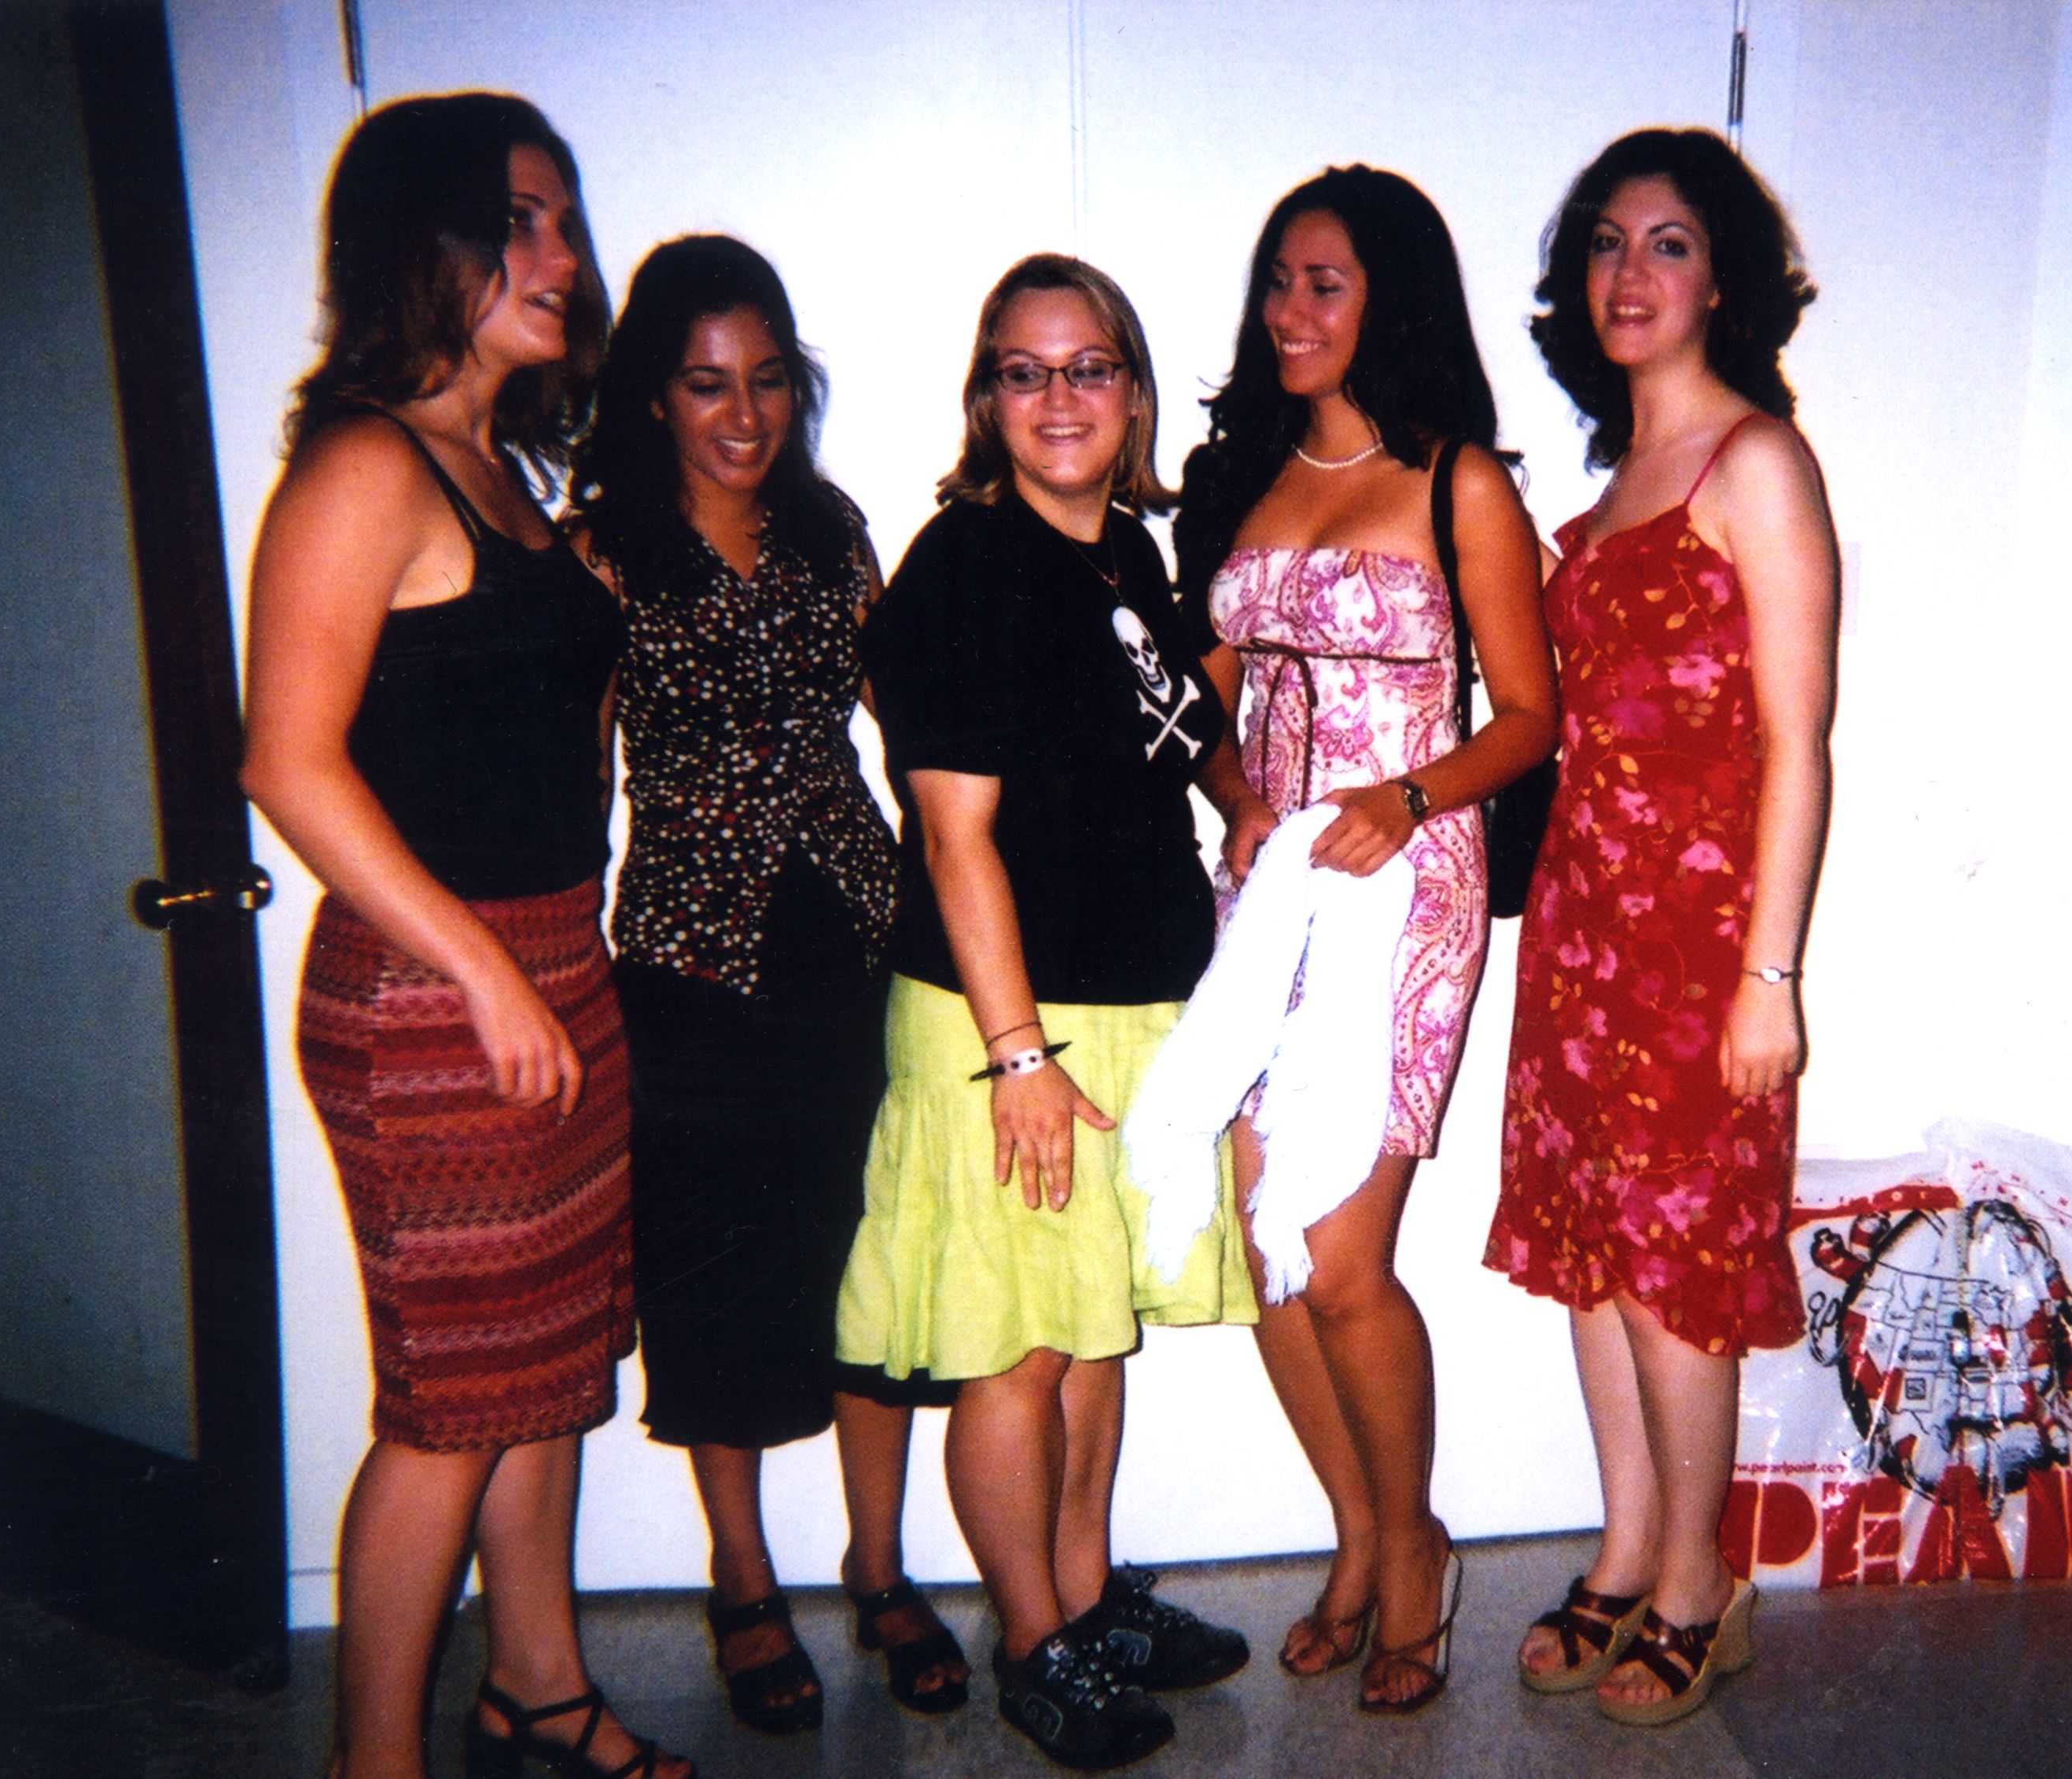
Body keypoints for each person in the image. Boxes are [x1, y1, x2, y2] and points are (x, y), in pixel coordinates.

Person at [239, 95, 690, 1779]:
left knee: (545, 1367)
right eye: (522, 220)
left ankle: (539, 1688)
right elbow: (286, 761)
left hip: (549, 959)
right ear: (421, 242)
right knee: (450, 1404)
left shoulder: (500, 475)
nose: (564, 255)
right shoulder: (366, 465)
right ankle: (377, 1760)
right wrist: (488, 971)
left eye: (565, 220)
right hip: (436, 989)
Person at [834, 254, 1254, 1770]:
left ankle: (1083, 1598)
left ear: (1132, 393)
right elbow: (955, 837)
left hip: (1129, 1003)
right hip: (1005, 1022)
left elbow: (1183, 727)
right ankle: (1033, 1643)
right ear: (987, 399)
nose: (1059, 398)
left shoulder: (1123, 556)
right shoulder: (967, 566)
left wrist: (1247, 803)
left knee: (1090, 1334)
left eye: (1088, 369)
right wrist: (1017, 1054)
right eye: (1026, 371)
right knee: (1015, 1347)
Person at [564, 235, 965, 1733]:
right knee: (714, 1272)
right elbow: (572, 778)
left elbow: (908, 724)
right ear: (652, 397)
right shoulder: (600, 554)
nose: (744, 414)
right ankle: (742, 1576)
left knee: (872, 1258)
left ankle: (878, 1563)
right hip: (687, 956)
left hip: (852, 932)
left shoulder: (829, 530)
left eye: (769, 379)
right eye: (706, 384)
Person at [1174, 166, 1556, 1714]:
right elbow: (1199, 704)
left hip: (1408, 888)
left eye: (1322, 283)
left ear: (1388, 298)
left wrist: (1403, 798)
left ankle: (1413, 1550)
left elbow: (1528, 717)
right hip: (1267, 893)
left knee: (1338, 1258)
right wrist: (1232, 795)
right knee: (1265, 1251)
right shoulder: (1238, 475)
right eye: (1277, 280)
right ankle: (1357, 1532)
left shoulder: (1459, 482)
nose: (1289, 310)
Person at [1485, 127, 1839, 1727]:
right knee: (1593, 1256)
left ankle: (1701, 1579)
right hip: (1582, 925)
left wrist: (1771, 975)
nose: (1629, 273)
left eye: (1669, 243)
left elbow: (1797, 744)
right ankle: (1626, 1547)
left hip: (1701, 945)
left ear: (1723, 281)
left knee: (1675, 1269)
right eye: (1606, 243)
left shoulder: (1754, 463)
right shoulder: (1615, 478)